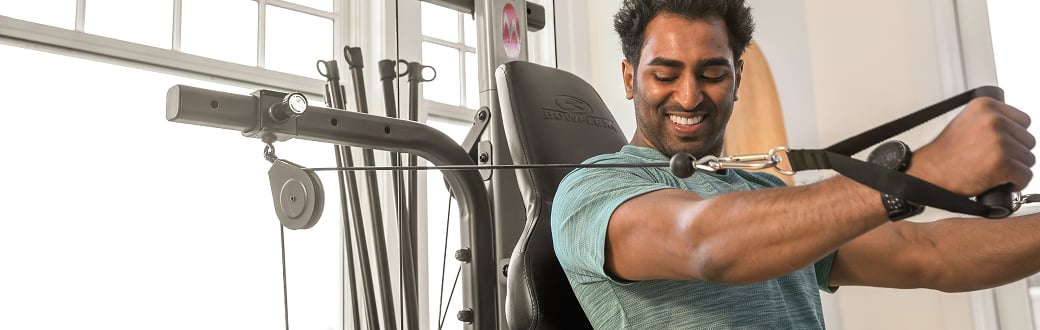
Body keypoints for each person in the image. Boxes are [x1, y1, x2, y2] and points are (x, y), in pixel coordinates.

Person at [551, 0, 1037, 328]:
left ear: (737, 78)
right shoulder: (592, 191)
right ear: (630, 76)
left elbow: (926, 251)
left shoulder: (763, 193)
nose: (690, 95)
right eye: (665, 74)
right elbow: (706, 243)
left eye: (713, 73)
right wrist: (922, 171)